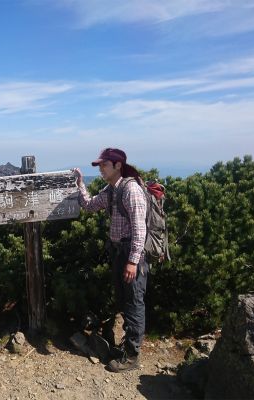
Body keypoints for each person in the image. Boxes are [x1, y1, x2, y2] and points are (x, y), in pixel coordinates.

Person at [73, 148, 148, 373]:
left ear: (117, 165)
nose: (101, 169)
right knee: (124, 302)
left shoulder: (131, 190)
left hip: (131, 255)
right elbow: (89, 205)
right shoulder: (112, 189)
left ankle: (132, 357)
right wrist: (80, 184)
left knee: (134, 304)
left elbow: (139, 229)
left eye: (104, 165)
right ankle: (127, 348)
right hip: (119, 253)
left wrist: (133, 261)